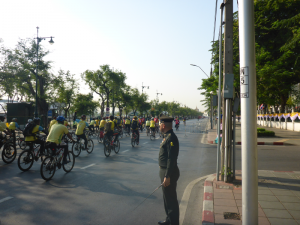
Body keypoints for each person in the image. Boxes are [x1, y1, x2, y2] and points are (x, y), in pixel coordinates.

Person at [158, 115, 180, 225]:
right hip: (165, 171)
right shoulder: (167, 136)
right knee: (166, 198)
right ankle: (169, 220)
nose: (159, 126)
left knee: (170, 199)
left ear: (163, 125)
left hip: (169, 172)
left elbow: (172, 159)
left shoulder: (171, 138)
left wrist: (167, 176)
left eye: (159, 125)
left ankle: (174, 222)